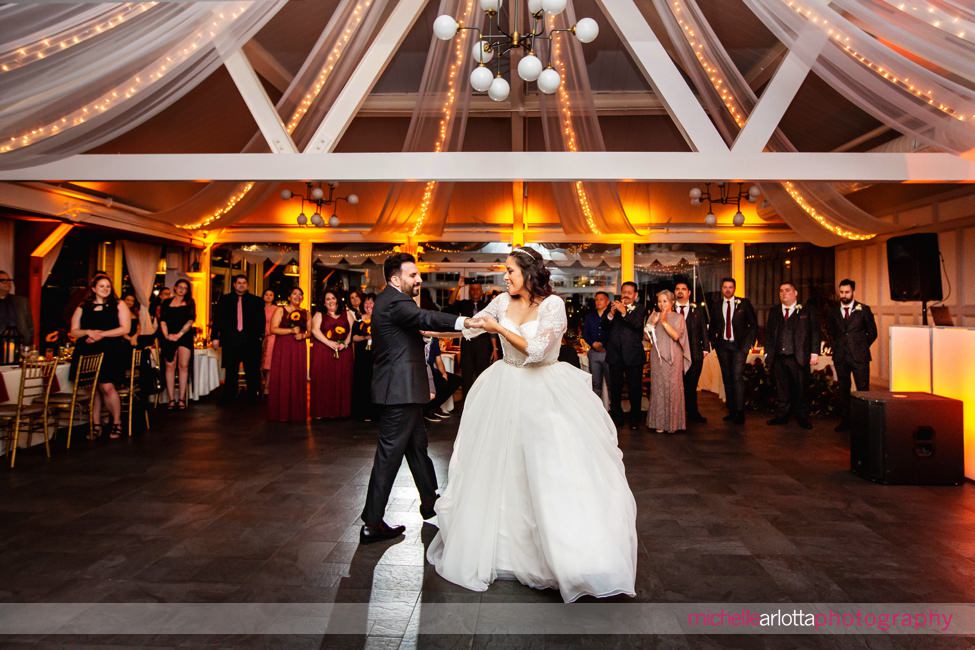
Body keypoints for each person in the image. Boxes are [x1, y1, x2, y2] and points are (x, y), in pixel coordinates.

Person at [427, 246, 637, 603]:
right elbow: (474, 329)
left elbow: (538, 351)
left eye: (510, 270)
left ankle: (562, 553)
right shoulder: (499, 302)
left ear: (528, 272)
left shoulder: (552, 306)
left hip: (544, 389)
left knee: (548, 468)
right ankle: (504, 547)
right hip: (504, 389)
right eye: (505, 271)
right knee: (503, 466)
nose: (505, 276)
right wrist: (433, 328)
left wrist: (499, 329)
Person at [360, 253, 472, 545]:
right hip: (400, 392)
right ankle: (372, 523)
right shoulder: (396, 301)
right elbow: (425, 317)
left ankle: (429, 504)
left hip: (402, 391)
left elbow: (418, 328)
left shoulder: (389, 301)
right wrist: (464, 322)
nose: (419, 279)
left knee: (417, 448)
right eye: (413, 275)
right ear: (396, 279)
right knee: (389, 456)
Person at [69, 274, 131, 439]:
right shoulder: (83, 306)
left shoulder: (119, 304)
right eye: (101, 286)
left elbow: (125, 328)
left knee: (107, 387)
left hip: (110, 350)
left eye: (108, 286)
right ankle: (95, 425)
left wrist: (102, 334)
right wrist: (88, 332)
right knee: (93, 390)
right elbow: (74, 331)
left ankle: (117, 422)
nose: (105, 289)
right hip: (87, 351)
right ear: (94, 289)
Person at [764, 281, 820, 430]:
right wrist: (768, 353)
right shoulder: (774, 311)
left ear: (795, 293)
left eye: (787, 290)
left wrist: (814, 352)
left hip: (799, 356)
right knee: (782, 388)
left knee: (801, 388)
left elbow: (814, 332)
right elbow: (769, 334)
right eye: (781, 291)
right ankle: (782, 416)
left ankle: (802, 417)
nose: (784, 293)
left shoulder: (807, 311)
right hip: (779, 356)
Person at [827, 279, 878, 432]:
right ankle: (845, 421)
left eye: (847, 292)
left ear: (853, 291)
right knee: (843, 389)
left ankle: (863, 423)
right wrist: (837, 346)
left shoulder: (864, 310)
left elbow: (873, 333)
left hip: (859, 356)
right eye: (841, 292)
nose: (844, 295)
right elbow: (831, 332)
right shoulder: (833, 311)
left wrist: (860, 346)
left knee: (863, 389)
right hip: (841, 356)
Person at [708, 277, 757, 425]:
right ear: (721, 289)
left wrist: (746, 346)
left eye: (730, 287)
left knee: (736, 377)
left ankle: (740, 412)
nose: (728, 289)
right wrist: (715, 344)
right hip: (723, 347)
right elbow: (713, 326)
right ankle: (732, 411)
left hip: (739, 347)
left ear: (734, 289)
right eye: (725, 287)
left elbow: (753, 325)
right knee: (727, 379)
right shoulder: (716, 305)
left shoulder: (744, 303)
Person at [211, 274, 264, 403]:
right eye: (238, 282)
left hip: (250, 341)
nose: (241, 285)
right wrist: (214, 337)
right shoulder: (224, 300)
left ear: (247, 285)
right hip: (231, 340)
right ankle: (229, 396)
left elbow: (261, 321)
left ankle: (253, 396)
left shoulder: (256, 301)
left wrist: (260, 337)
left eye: (244, 282)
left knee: (252, 370)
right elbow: (218, 319)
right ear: (234, 285)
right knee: (231, 370)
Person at [603, 282, 647, 430]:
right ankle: (617, 417)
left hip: (633, 355)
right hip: (615, 355)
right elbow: (604, 326)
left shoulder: (640, 309)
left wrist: (623, 312)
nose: (626, 295)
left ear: (635, 295)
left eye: (629, 292)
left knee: (635, 389)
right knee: (615, 389)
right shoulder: (613, 306)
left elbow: (637, 325)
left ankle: (635, 419)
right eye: (624, 292)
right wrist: (610, 314)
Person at [645, 289, 691, 433]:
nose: (662, 304)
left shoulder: (678, 317)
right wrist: (650, 325)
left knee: (672, 387)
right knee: (658, 387)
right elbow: (647, 338)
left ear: (672, 302)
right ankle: (658, 422)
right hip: (657, 356)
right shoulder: (654, 315)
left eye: (665, 301)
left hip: (673, 357)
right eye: (659, 301)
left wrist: (664, 321)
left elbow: (676, 336)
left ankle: (673, 423)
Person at [447, 282, 497, 401]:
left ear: (481, 292)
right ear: (469, 292)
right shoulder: (464, 304)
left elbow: (492, 328)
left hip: (483, 343)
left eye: (477, 290)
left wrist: (494, 348)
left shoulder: (487, 305)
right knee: (467, 376)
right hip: (467, 343)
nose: (475, 292)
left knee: (483, 375)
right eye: (473, 290)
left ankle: (482, 402)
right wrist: (458, 287)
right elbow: (450, 302)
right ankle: (466, 404)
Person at [267, 287, 310, 422]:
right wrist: (291, 330)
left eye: (300, 295)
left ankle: (296, 412)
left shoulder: (306, 313)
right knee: (283, 376)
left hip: (299, 347)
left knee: (297, 376)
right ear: (289, 297)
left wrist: (303, 335)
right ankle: (281, 412)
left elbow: (310, 332)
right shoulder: (281, 310)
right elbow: (272, 329)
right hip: (283, 347)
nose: (298, 296)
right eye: (294, 294)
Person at [310, 289, 355, 419]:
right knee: (324, 380)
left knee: (343, 379)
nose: (330, 301)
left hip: (343, 351)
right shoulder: (319, 314)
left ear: (337, 300)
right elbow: (314, 330)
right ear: (324, 303)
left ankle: (342, 411)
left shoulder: (346, 313)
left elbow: (352, 330)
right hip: (324, 351)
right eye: (327, 299)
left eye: (333, 298)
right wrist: (329, 343)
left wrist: (346, 343)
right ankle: (322, 412)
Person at [673, 280, 709, 423]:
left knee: (691, 385)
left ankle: (693, 413)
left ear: (689, 292)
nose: (680, 291)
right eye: (677, 289)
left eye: (683, 289)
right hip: (675, 354)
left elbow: (704, 330)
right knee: (676, 386)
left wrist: (706, 348)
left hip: (695, 353)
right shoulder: (669, 309)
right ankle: (677, 414)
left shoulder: (697, 310)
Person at [160, 278, 196, 410]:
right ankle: (171, 399)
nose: (182, 289)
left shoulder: (190, 302)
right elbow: (162, 321)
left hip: (184, 336)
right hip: (168, 337)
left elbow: (190, 321)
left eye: (185, 288)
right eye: (180, 287)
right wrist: (167, 336)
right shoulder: (166, 302)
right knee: (170, 366)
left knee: (183, 366)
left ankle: (181, 399)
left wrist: (179, 335)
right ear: (175, 287)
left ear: (187, 291)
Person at [351, 293, 377, 422]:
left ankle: (375, 413)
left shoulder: (380, 320)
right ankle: (361, 412)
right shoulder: (358, 320)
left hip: (376, 357)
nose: (368, 305)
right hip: (362, 357)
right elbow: (354, 338)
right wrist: (365, 337)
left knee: (375, 383)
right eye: (366, 302)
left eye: (371, 302)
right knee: (362, 383)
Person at [423, 334, 461, 423]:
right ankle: (425, 411)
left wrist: (444, 374)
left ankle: (433, 407)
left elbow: (438, 359)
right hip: (420, 373)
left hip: (432, 371)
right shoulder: (417, 338)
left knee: (455, 381)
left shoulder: (434, 339)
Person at [581, 291, 610, 397]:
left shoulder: (612, 316)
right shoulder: (590, 316)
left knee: (611, 383)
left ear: (607, 302)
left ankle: (612, 410)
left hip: (608, 353)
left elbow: (613, 333)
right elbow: (585, 333)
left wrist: (603, 344)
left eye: (601, 299)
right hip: (594, 353)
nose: (598, 302)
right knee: (595, 383)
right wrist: (592, 343)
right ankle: (597, 409)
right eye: (596, 299)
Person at [0, 270, 33, 344]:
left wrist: (27, 340)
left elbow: (30, 326)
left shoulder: (22, 302)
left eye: (9, 280)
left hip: (20, 344)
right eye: (3, 280)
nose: (8, 283)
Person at [261, 289, 277, 393]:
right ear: (263, 296)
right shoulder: (259, 308)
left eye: (271, 295)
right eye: (266, 294)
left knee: (269, 363)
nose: (268, 296)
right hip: (259, 337)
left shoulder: (276, 309)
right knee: (259, 362)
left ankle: (267, 387)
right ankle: (261, 384)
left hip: (272, 337)